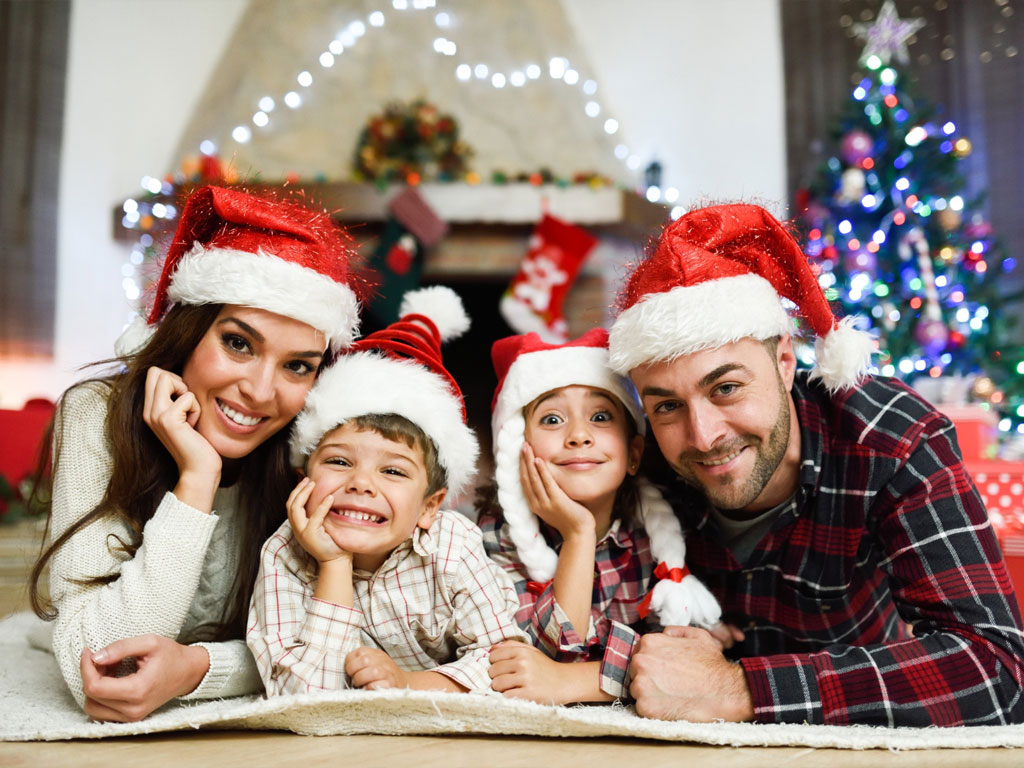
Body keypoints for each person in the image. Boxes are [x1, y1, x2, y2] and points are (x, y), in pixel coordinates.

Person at [606, 202, 1024, 727]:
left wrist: (741, 687)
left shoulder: (889, 440)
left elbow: (998, 670)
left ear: (785, 361)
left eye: (727, 387)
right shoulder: (637, 463)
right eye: (666, 405)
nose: (704, 435)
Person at [28, 185, 362, 722]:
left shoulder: (315, 445)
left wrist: (196, 668)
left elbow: (342, 639)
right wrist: (198, 478)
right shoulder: (97, 414)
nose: (259, 390)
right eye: (238, 342)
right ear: (188, 332)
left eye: (297, 365)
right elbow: (94, 663)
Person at [247, 287, 526, 695]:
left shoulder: (452, 545)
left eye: (392, 470)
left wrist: (409, 684)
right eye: (339, 462)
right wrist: (335, 564)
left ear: (430, 507)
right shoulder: (283, 555)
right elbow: (300, 698)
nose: (360, 483)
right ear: (302, 476)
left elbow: (504, 664)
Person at [478, 329, 724, 705]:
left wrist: (578, 679)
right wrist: (578, 533)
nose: (578, 435)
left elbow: (678, 665)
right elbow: (533, 663)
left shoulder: (649, 537)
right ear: (517, 451)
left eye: (600, 416)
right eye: (552, 420)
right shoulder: (491, 540)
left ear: (634, 454)